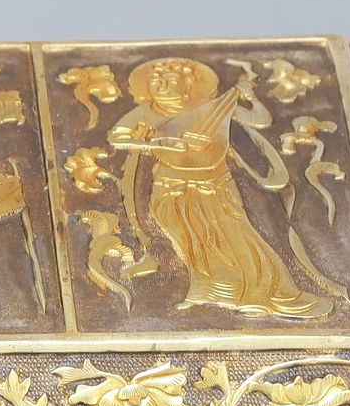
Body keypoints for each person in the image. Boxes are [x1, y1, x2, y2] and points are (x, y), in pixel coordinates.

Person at [107, 57, 333, 319]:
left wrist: (251, 97)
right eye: (155, 81)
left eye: (169, 80)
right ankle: (204, 292)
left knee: (236, 237)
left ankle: (263, 294)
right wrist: (154, 145)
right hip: (171, 185)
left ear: (187, 86)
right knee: (189, 240)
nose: (160, 85)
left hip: (216, 183)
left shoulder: (213, 107)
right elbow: (117, 137)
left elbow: (260, 119)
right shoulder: (148, 111)